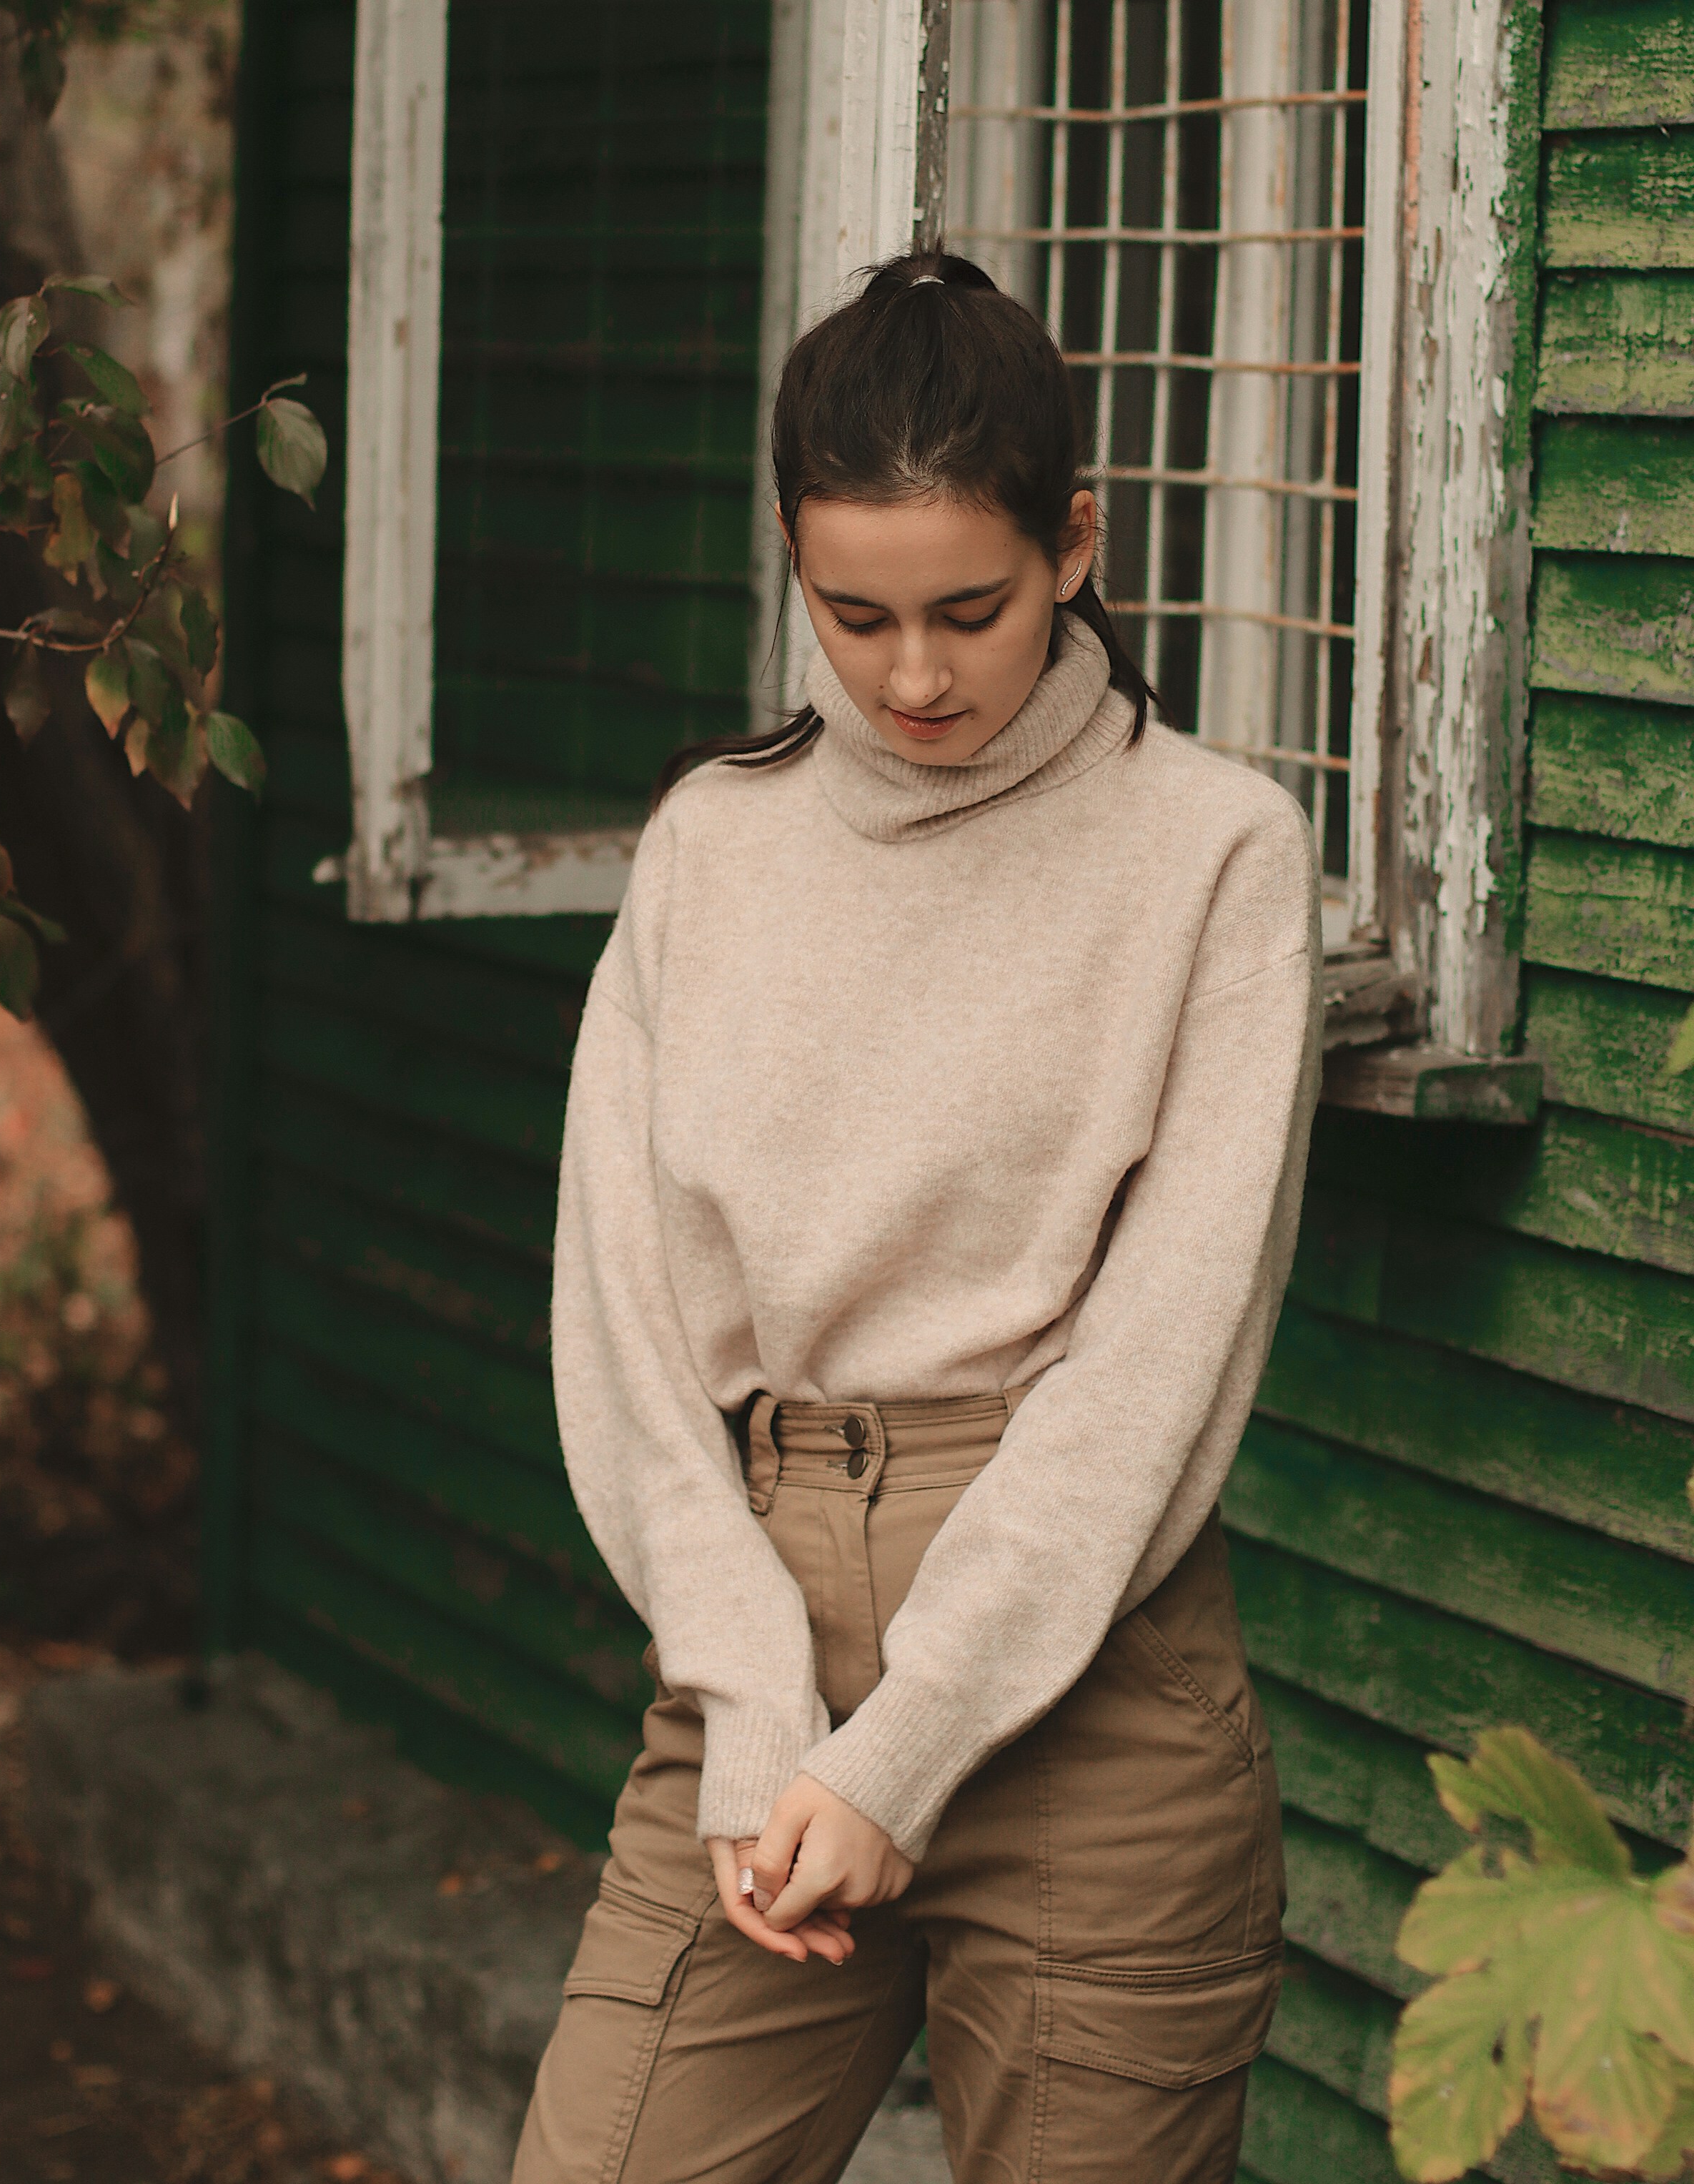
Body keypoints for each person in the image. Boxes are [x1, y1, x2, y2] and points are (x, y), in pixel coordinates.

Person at [512, 250, 1323, 2184]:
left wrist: (908, 1745)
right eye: (852, 614)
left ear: (1077, 546)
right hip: (757, 1640)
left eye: (972, 609)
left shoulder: (1214, 855)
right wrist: (755, 1703)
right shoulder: (713, 843)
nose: (912, 678)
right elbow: (625, 1322)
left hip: (1092, 1697)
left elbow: (1159, 1366)